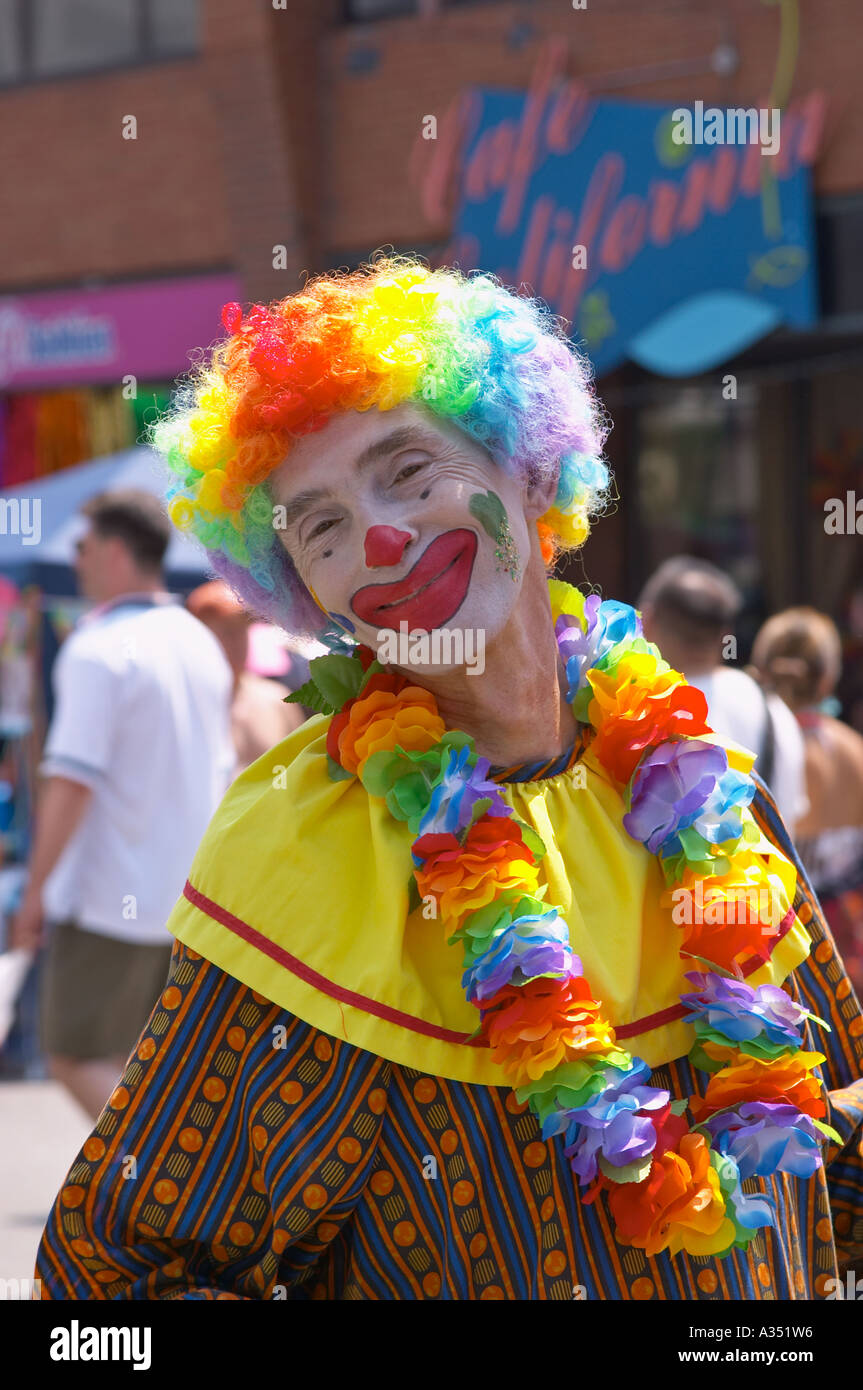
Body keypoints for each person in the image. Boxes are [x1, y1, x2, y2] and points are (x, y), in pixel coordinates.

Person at [36, 258, 862, 1300]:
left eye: (410, 472)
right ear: (312, 595)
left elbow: (829, 1145)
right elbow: (109, 1281)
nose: (381, 541)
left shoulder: (704, 790)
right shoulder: (304, 855)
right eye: (322, 529)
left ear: (525, 467)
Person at [11, 490, 234, 1119]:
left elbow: (71, 782)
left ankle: (158, 1187)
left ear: (112, 550)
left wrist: (35, 895)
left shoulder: (97, 647)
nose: (75, 559)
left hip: (108, 898)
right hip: (186, 900)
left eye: (81, 546)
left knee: (76, 1056)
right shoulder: (196, 640)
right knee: (148, 1067)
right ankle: (168, 1188)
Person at [639, 556, 808, 833]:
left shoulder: (641, 716)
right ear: (724, 635)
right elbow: (791, 816)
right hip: (766, 875)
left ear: (647, 619)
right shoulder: (774, 708)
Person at [750, 607, 863, 999]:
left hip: (778, 947)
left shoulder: (746, 749)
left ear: (762, 667)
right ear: (829, 678)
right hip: (849, 948)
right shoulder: (855, 750)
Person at [186, 580, 304, 773]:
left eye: (242, 631)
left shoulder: (276, 700)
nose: (237, 642)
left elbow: (301, 773)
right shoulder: (185, 704)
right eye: (226, 632)